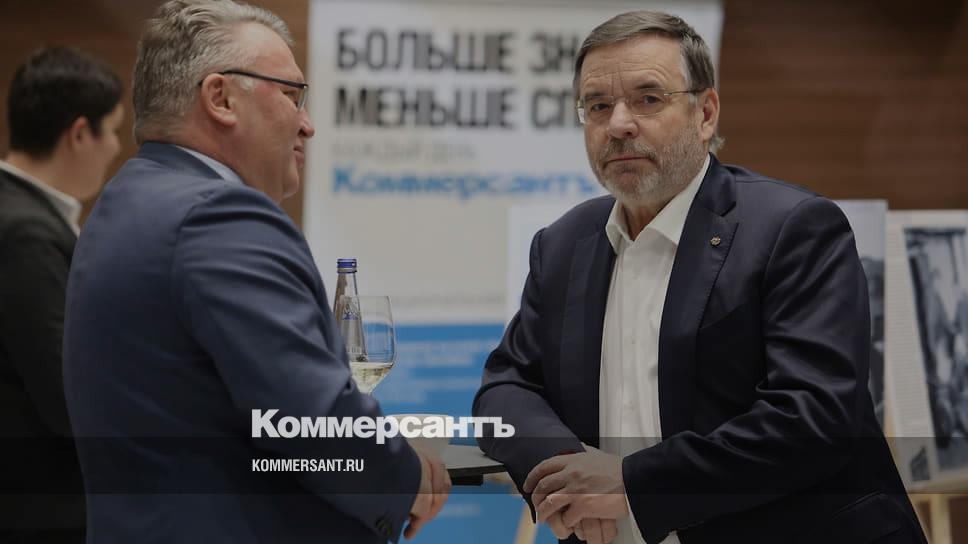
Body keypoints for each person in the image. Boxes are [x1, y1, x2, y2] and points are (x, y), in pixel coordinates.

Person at [473, 11, 925, 544]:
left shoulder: (793, 228)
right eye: (597, 106)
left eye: (648, 98)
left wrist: (632, 486)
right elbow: (505, 389)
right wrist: (568, 474)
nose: (619, 124)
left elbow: (813, 418)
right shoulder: (563, 245)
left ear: (705, 113)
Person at [62, 1, 448, 543]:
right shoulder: (219, 215)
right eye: (291, 95)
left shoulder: (127, 198)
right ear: (220, 98)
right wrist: (407, 479)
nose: (307, 125)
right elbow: (311, 419)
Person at [0, 46, 123, 543]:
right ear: (79, 134)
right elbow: (65, 392)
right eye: (112, 130)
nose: (115, 147)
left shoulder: (22, 216)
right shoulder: (24, 233)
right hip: (38, 511)